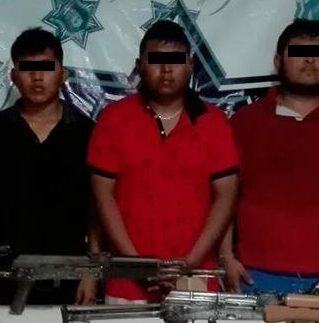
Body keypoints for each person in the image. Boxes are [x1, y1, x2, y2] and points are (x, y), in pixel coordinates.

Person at [221, 19, 319, 294]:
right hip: (256, 277)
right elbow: (225, 194)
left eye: (318, 53)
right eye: (298, 52)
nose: (309, 60)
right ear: (278, 61)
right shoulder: (245, 122)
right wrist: (226, 256)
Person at [87, 20, 238, 303]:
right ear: (139, 65)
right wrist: (137, 265)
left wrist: (188, 263)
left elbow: (226, 196)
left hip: (196, 276)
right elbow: (102, 197)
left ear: (190, 64)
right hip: (127, 281)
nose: (166, 69)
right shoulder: (113, 120)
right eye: (156, 60)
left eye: (176, 60)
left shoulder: (215, 123)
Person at [0, 28, 98, 306]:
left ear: (63, 74)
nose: (37, 77)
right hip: (4, 276)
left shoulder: (88, 133)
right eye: (28, 68)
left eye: (46, 68)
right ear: (14, 75)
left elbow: (96, 208)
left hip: (71, 276)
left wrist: (92, 271)